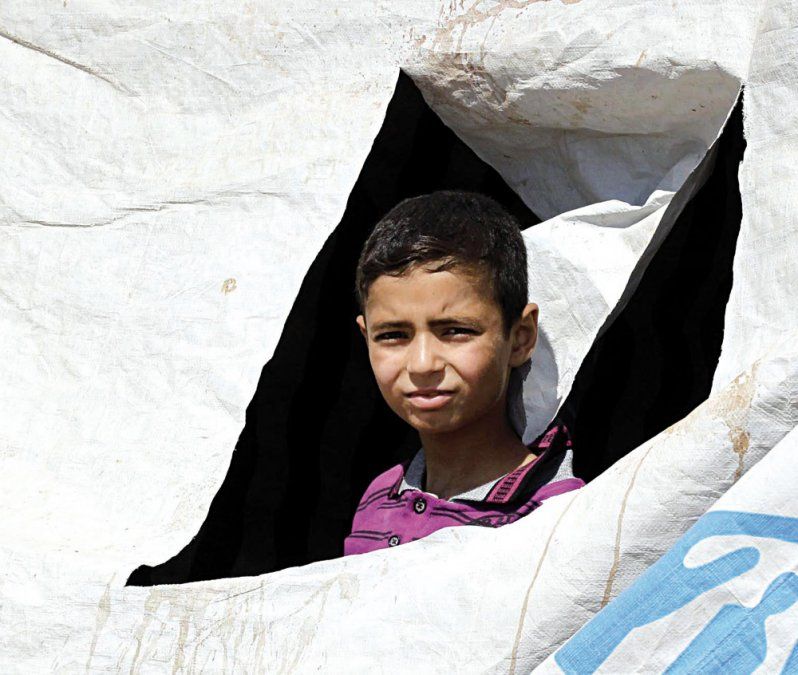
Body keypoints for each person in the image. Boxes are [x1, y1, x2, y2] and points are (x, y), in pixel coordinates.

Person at [344, 190, 584, 556]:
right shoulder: (379, 499)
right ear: (366, 338)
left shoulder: (558, 516)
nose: (422, 364)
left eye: (456, 331)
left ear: (520, 338)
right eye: (393, 335)